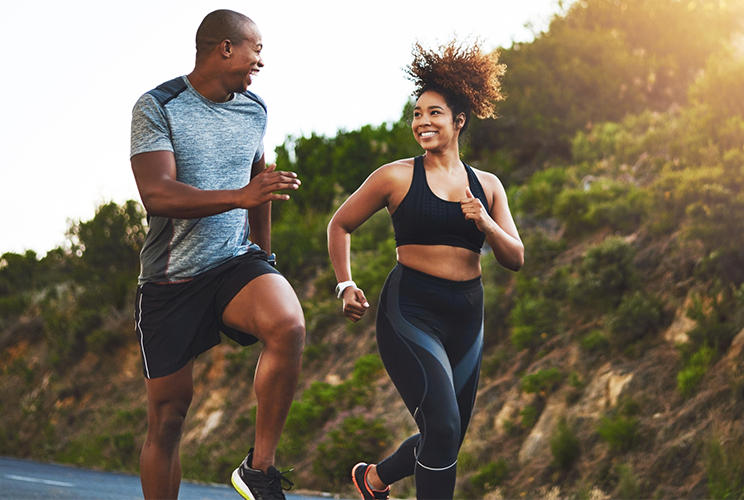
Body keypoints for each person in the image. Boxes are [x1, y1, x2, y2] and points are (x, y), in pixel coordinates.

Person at [327, 39, 524, 500]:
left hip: (467, 315)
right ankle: (376, 481)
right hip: (411, 309)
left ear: (459, 120)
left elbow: (515, 257)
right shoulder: (395, 176)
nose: (422, 122)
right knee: (442, 424)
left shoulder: (488, 186)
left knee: (446, 436)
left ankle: (373, 480)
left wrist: (486, 223)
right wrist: (345, 283)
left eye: (434, 113)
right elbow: (341, 223)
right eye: (417, 114)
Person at [129, 9, 305, 500]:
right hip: (170, 281)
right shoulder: (157, 106)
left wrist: (265, 259)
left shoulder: (255, 109)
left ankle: (259, 468)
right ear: (225, 47)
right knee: (167, 419)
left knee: (288, 323)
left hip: (233, 262)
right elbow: (157, 194)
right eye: (257, 49)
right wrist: (239, 197)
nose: (261, 62)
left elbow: (259, 187)